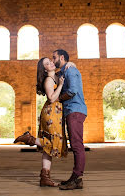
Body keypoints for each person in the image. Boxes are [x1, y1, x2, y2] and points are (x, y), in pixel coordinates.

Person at [14, 57, 73, 187]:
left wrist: (70, 63)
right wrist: (62, 85)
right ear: (44, 70)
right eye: (47, 63)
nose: (51, 63)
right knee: (52, 142)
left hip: (56, 113)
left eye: (50, 61)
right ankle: (29, 139)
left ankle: (44, 177)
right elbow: (52, 98)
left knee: (48, 148)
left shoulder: (56, 76)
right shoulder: (49, 80)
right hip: (51, 113)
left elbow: (67, 66)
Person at [53, 49, 87, 190]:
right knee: (75, 145)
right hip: (71, 111)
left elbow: (72, 91)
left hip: (75, 110)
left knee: (77, 145)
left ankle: (77, 177)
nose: (53, 59)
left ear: (61, 57)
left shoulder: (70, 70)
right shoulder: (63, 71)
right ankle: (76, 180)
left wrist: (58, 99)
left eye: (54, 57)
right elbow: (53, 77)